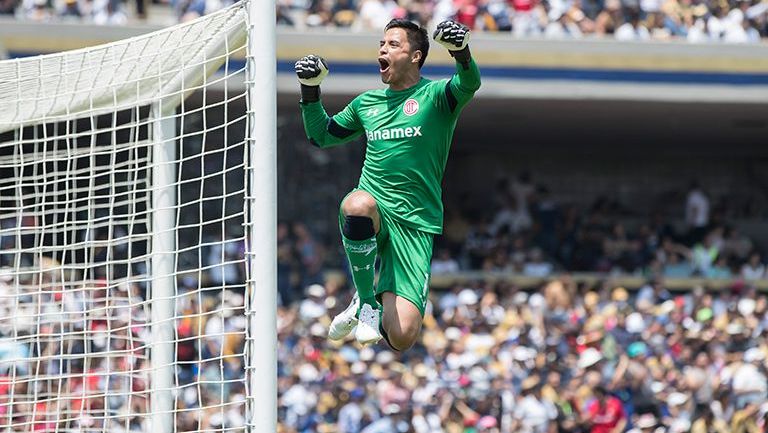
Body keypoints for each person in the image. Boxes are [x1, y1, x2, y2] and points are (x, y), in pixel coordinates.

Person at [295, 18, 481, 349]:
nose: (383, 49)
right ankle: (366, 300)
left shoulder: (436, 96)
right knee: (357, 203)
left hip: (416, 223)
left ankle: (365, 302)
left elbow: (468, 84)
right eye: (382, 44)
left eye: (393, 44)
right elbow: (321, 136)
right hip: (375, 209)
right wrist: (311, 90)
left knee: (403, 335)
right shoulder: (367, 103)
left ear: (416, 56)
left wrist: (461, 52)